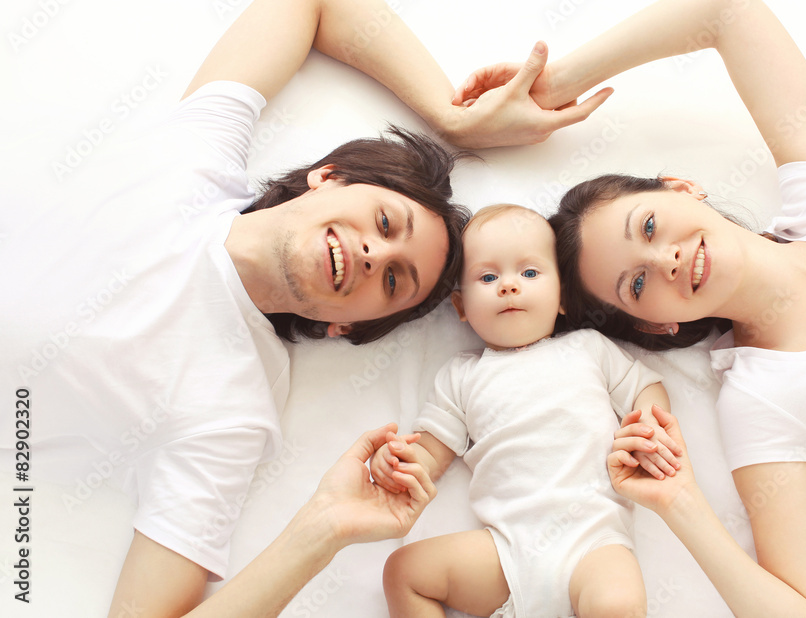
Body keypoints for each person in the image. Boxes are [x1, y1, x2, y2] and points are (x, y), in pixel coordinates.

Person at [1, 0, 615, 615]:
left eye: (395, 280)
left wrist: (320, 530)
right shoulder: (199, 151)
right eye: (385, 220)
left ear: (344, 324)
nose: (376, 252)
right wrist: (450, 120)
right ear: (330, 176)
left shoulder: (226, 412)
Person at [453, 0, 806, 616]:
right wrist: (683, 505)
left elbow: (726, 12)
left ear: (683, 186)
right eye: (636, 284)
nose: (665, 261)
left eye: (651, 224)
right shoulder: (765, 404)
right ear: (657, 323)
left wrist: (549, 87)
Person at [370, 204, 682, 618]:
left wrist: (648, 429)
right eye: (488, 277)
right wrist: (398, 466)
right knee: (403, 570)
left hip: (593, 541)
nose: (509, 286)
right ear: (461, 307)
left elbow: (647, 387)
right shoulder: (462, 375)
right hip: (505, 550)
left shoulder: (588, 348)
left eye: (530, 273)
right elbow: (429, 454)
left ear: (564, 298)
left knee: (617, 604)